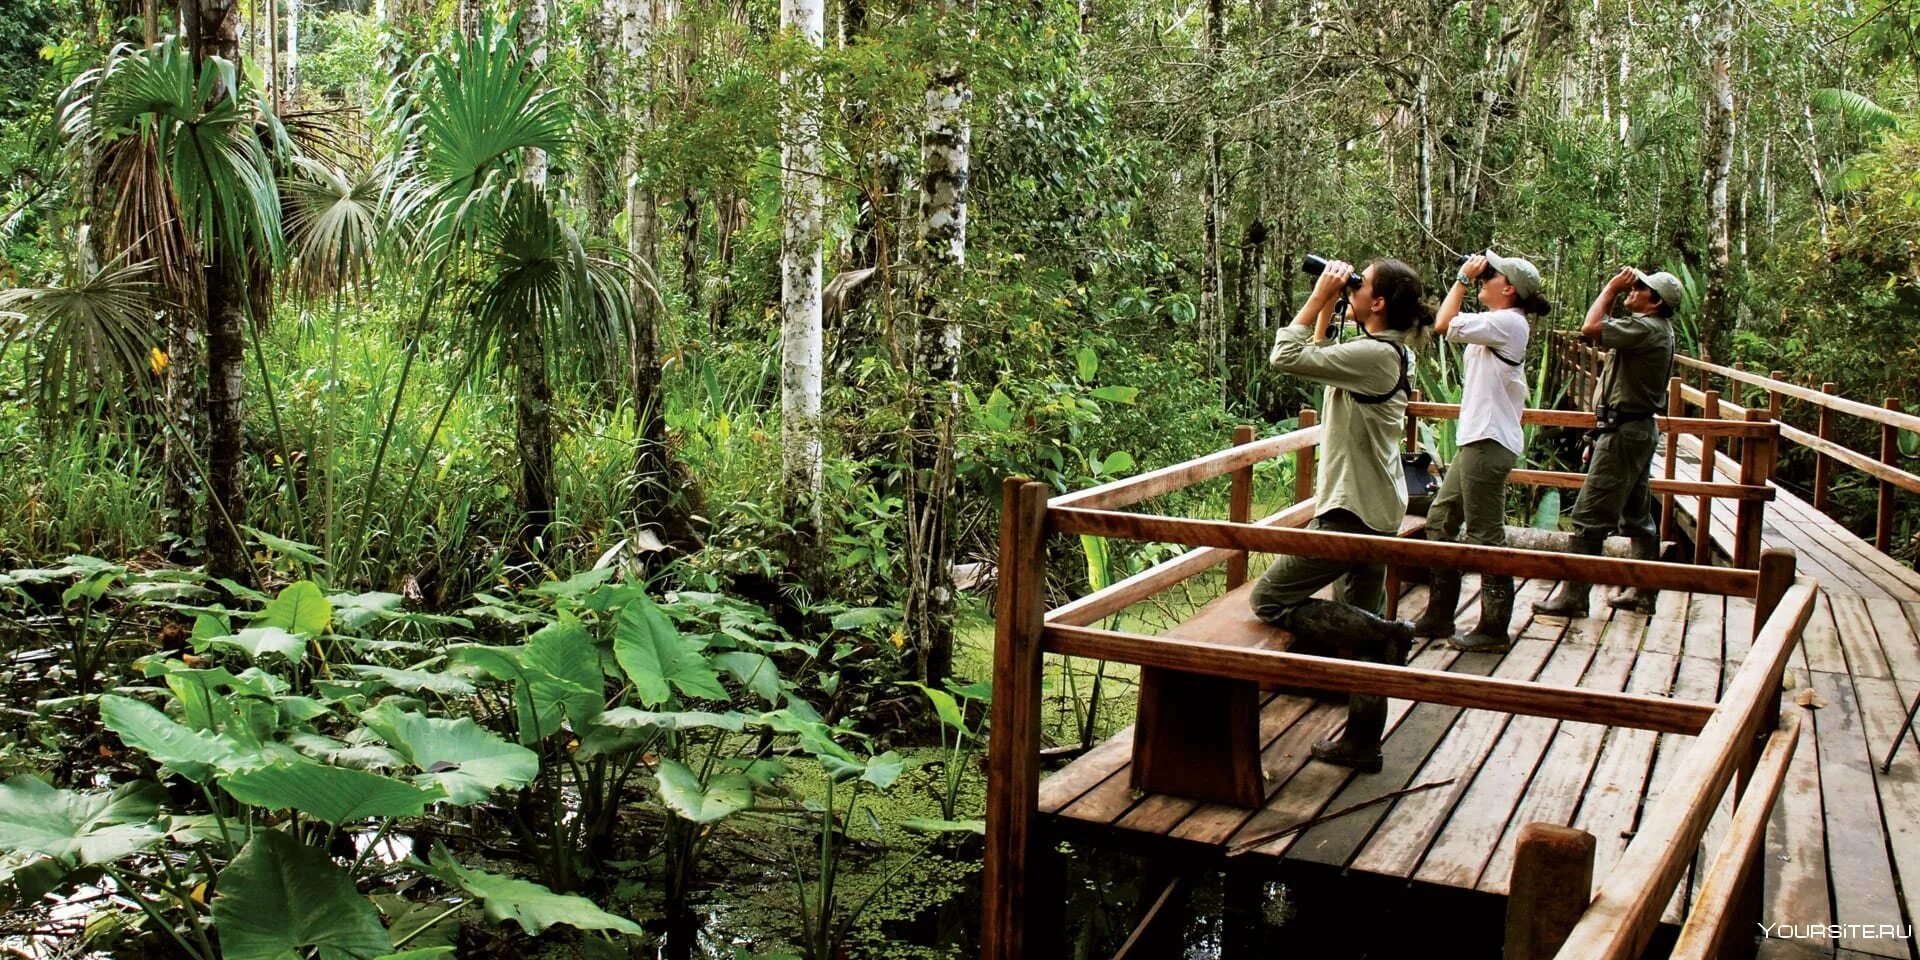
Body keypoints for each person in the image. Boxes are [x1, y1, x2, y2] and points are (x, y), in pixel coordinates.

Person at [1251, 257, 1435, 773]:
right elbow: (1321, 354)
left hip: (1351, 512)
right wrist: (1334, 298)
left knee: (1270, 599)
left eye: (1361, 285)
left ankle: (1386, 633)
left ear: (1377, 303)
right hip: (1377, 505)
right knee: (1359, 624)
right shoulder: (1388, 351)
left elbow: (1286, 355)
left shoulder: (1376, 355)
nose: (1352, 289)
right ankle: (1361, 741)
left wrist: (1318, 296)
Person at [1414, 251, 1551, 652]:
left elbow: (1443, 324)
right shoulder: (1499, 323)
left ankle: (1494, 628)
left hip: (1489, 443)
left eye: (1490, 275)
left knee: (1485, 536)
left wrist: (1460, 277)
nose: (1483, 278)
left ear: (1508, 289)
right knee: (1440, 521)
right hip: (1476, 441)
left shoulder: (1507, 322)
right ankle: (1439, 615)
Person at [1534, 266, 1683, 617]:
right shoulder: (1652, 329)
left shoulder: (1647, 327)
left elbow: (1590, 328)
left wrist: (1612, 289)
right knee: (1637, 517)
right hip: (1631, 430)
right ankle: (1643, 592)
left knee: (1588, 518)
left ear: (1655, 301)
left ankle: (1574, 596)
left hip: (1625, 434)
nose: (1633, 290)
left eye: (1640, 288)